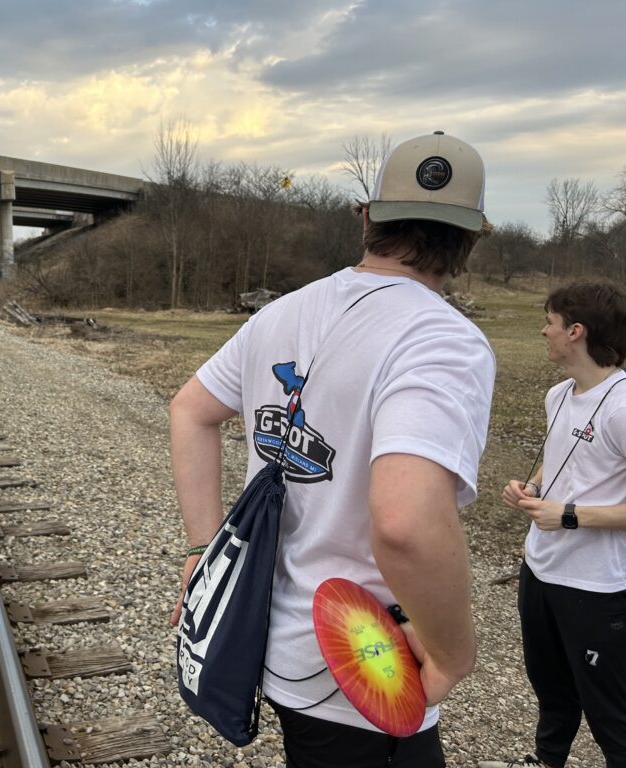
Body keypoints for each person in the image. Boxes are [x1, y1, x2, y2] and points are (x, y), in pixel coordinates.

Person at [169, 131, 496, 767]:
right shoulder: (445, 341)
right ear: (475, 236)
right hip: (367, 671)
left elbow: (190, 410)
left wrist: (202, 551)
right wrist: (455, 654)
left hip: (277, 639)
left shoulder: (281, 313)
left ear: (367, 216)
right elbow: (404, 522)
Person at [480, 282, 626, 768]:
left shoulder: (622, 405)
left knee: (611, 712)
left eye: (551, 322)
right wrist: (533, 486)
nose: (544, 330)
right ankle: (546, 761)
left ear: (577, 332)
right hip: (540, 570)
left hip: (596, 587)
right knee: (552, 691)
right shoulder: (558, 394)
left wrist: (569, 516)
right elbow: (566, 459)